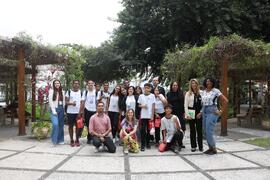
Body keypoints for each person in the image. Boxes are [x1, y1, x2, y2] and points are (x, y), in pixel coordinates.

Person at [201, 77, 228, 155]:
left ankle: (214, 149)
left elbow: (225, 101)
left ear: (212, 82)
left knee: (209, 131)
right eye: (207, 81)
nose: (208, 83)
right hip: (204, 111)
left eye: (210, 81)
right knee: (206, 132)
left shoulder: (216, 91)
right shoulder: (203, 92)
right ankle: (210, 148)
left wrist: (221, 111)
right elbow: (203, 104)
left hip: (212, 111)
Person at [184, 79, 203, 152]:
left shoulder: (201, 92)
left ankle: (200, 146)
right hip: (191, 112)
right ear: (190, 85)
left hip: (198, 113)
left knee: (199, 130)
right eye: (192, 83)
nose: (194, 85)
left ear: (197, 84)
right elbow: (185, 105)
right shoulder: (188, 93)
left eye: (195, 83)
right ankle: (193, 146)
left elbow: (203, 104)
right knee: (192, 130)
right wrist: (187, 115)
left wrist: (200, 113)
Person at [65, 80, 84, 147]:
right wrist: (71, 103)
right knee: (70, 126)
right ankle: (71, 140)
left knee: (78, 127)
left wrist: (80, 112)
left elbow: (82, 103)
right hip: (70, 112)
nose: (76, 85)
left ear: (79, 85)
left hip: (78, 113)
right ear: (72, 84)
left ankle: (77, 140)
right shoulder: (69, 92)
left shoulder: (81, 92)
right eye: (75, 83)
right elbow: (66, 102)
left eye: (78, 84)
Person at [138, 83, 155, 151]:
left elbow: (153, 106)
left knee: (149, 130)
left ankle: (147, 143)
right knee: (142, 130)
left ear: (150, 89)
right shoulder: (141, 96)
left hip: (150, 116)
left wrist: (152, 116)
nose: (146, 89)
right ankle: (142, 145)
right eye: (145, 88)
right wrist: (143, 106)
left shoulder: (152, 96)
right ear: (143, 88)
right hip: (143, 116)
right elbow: (138, 105)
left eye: (148, 88)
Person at [48, 80, 65, 146]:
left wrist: (64, 110)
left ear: (60, 84)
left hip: (61, 109)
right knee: (55, 124)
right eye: (55, 83)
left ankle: (60, 140)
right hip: (54, 109)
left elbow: (63, 102)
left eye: (58, 83)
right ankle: (54, 140)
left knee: (61, 125)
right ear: (53, 84)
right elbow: (51, 102)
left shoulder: (62, 91)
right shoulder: (51, 91)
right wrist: (54, 111)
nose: (57, 84)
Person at [82, 80, 97, 144]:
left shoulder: (96, 92)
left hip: (94, 110)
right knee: (88, 125)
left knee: (94, 125)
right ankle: (89, 138)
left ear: (93, 84)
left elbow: (98, 102)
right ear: (87, 85)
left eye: (92, 83)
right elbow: (83, 102)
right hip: (87, 110)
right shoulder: (85, 92)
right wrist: (82, 112)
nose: (90, 84)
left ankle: (94, 138)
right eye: (89, 83)